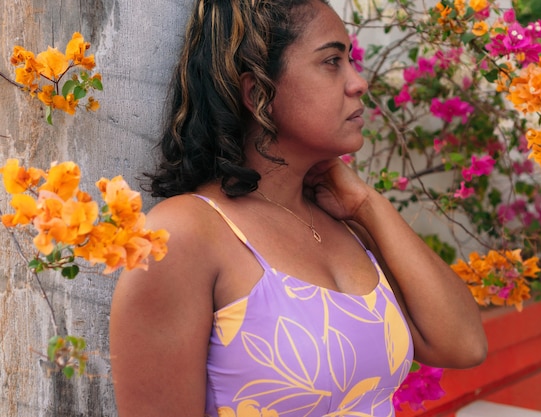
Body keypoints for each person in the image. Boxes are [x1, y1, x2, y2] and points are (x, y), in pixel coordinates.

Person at [109, 0, 487, 415]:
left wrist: (368, 206)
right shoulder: (183, 235)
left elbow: (464, 345)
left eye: (351, 60)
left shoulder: (341, 219)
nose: (358, 82)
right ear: (258, 93)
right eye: (331, 61)